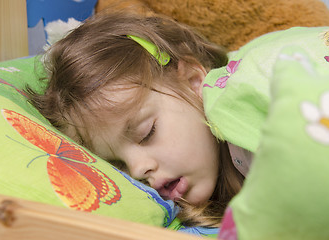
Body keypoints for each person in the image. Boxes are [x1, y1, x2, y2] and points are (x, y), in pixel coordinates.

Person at [29, 10, 249, 227]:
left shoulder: (254, 122)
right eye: (117, 164)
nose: (137, 170)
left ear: (193, 81)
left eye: (147, 134)